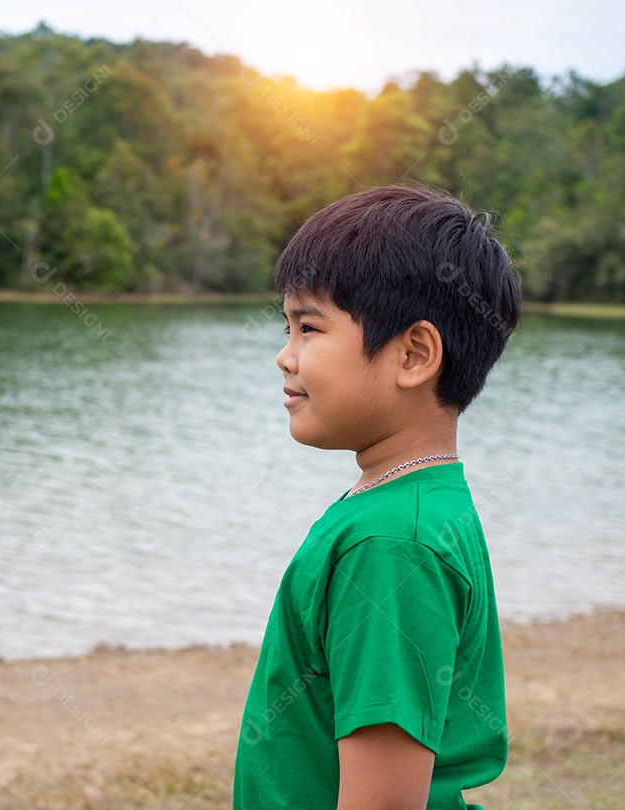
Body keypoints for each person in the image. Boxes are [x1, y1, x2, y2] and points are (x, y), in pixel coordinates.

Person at [233, 185, 522, 809]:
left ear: (413, 355)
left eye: (309, 327)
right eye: (287, 327)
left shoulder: (393, 543)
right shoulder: (409, 504)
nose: (285, 356)